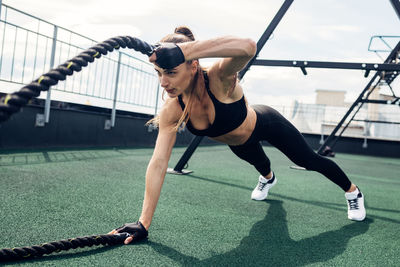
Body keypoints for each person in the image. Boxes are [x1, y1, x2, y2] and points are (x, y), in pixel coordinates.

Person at [109, 26, 366, 244]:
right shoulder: (172, 109)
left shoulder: (218, 78)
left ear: (192, 65)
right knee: (262, 166)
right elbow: (158, 163)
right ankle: (268, 179)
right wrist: (143, 223)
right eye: (159, 73)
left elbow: (248, 46)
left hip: (266, 123)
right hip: (239, 143)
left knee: (308, 160)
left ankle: (353, 192)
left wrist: (184, 50)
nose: (163, 82)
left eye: (171, 72)